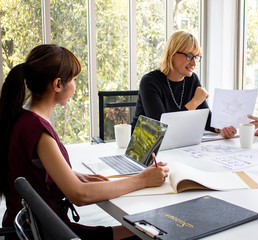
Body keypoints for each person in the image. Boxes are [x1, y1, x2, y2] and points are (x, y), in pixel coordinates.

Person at [0, 44, 169, 240]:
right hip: (51, 233)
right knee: (150, 231)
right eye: (73, 79)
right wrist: (142, 180)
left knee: (142, 228)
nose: (75, 86)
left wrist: (75, 175)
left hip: (39, 228)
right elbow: (80, 195)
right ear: (57, 85)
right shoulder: (37, 130)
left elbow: (35, 173)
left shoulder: (21, 118)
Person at [131, 31, 236, 138]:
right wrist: (195, 102)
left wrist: (221, 128)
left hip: (177, 144)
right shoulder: (149, 82)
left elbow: (207, 120)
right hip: (146, 147)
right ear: (172, 54)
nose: (194, 63)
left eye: (196, 57)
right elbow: (162, 128)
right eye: (189, 56)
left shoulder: (192, 79)